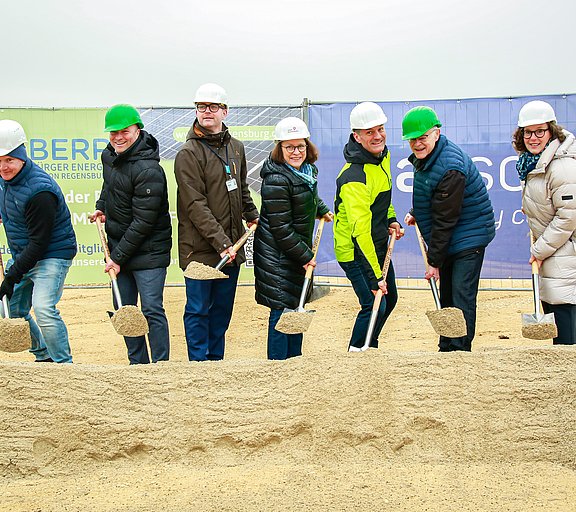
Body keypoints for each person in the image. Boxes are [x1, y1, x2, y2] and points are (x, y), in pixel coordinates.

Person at [174, 83, 259, 362]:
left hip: (232, 247)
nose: (206, 111)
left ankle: (215, 363)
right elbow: (194, 204)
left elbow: (241, 189)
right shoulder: (188, 153)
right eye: (201, 107)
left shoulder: (236, 148)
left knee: (222, 311)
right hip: (200, 251)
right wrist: (221, 243)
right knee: (198, 310)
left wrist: (252, 215)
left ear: (225, 111)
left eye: (213, 106)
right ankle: (199, 365)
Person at [402, 106, 495, 352]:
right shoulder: (429, 157)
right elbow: (432, 193)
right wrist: (416, 212)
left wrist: (434, 262)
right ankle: (446, 347)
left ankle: (460, 349)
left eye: (422, 137)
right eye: (412, 139)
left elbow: (445, 219)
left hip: (469, 236)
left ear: (437, 133)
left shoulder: (450, 166)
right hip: (452, 234)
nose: (417, 144)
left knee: (461, 295)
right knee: (447, 295)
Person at [89, 104, 172, 364]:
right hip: (120, 249)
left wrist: (117, 258)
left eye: (124, 131)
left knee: (151, 309)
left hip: (149, 252)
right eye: (113, 132)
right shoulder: (109, 157)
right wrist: (101, 207)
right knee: (124, 310)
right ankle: (137, 364)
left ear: (137, 130)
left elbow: (143, 222)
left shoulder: (149, 170)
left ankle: (160, 366)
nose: (118, 137)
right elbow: (109, 186)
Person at [253, 118, 333, 360]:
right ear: (280, 148)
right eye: (289, 147)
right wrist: (306, 256)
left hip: (293, 253)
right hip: (277, 256)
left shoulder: (306, 172)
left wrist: (321, 209)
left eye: (300, 146)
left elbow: (307, 196)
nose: (296, 152)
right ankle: (278, 365)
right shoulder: (276, 179)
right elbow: (281, 229)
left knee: (297, 307)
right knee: (281, 310)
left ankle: (295, 362)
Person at [0, 120, 77, 363]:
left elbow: (39, 243)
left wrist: (11, 277)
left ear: (21, 157)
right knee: (12, 310)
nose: (3, 167)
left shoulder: (40, 191)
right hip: (25, 252)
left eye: (9, 160)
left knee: (44, 309)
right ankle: (43, 356)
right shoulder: (4, 180)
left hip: (52, 254)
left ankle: (64, 365)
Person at [334, 102, 403, 352]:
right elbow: (359, 233)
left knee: (389, 299)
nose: (377, 136)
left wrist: (391, 219)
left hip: (377, 243)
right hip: (355, 250)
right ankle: (356, 353)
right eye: (369, 132)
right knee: (373, 302)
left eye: (380, 129)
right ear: (357, 136)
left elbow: (383, 196)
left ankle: (369, 347)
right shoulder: (354, 177)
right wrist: (376, 278)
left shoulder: (382, 157)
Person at [513, 100, 576, 344]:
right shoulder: (533, 163)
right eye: (528, 132)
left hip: (567, 255)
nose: (533, 138)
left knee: (566, 331)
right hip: (554, 254)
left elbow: (568, 217)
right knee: (557, 320)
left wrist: (539, 250)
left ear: (552, 131)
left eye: (540, 131)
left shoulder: (561, 166)